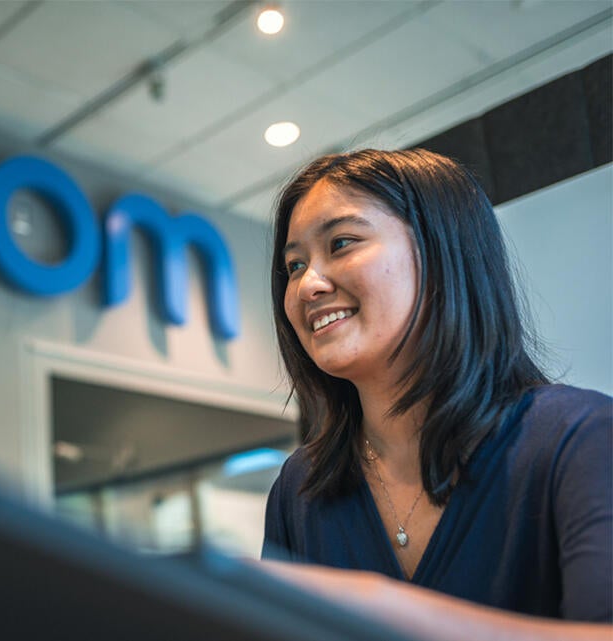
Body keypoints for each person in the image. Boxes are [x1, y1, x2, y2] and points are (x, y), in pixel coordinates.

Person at [260, 148, 610, 640]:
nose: (307, 286)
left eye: (341, 243)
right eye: (294, 266)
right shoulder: (300, 488)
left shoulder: (578, 438)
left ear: (442, 253)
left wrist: (382, 607)